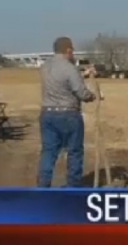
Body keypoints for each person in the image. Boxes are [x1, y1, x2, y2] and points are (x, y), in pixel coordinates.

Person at [38, 37, 97, 188]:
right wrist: (93, 96)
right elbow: (81, 92)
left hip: (47, 114)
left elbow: (62, 81)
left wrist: (83, 74)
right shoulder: (70, 67)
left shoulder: (45, 66)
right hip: (69, 115)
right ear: (68, 50)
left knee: (48, 152)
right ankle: (73, 187)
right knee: (74, 152)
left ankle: (42, 187)